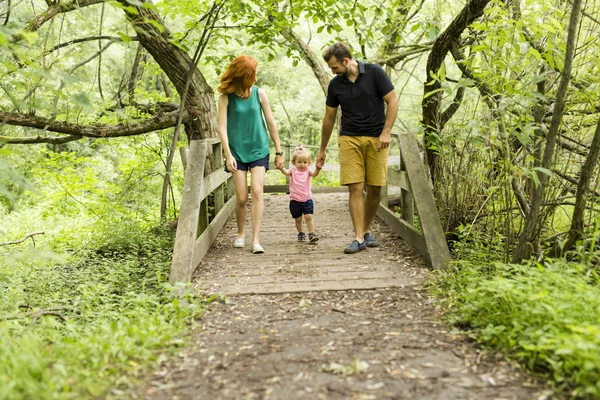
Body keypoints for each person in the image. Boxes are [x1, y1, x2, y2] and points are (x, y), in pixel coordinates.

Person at [317, 42, 398, 254]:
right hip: (349, 138)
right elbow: (329, 117)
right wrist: (322, 149)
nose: (332, 72)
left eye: (334, 67)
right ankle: (359, 236)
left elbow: (392, 101)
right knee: (355, 187)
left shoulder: (374, 73)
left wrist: (386, 132)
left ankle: (366, 230)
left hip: (376, 138)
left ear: (345, 61)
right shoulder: (335, 85)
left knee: (375, 188)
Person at [217, 55, 283, 254]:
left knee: (257, 190)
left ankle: (256, 239)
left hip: (258, 149)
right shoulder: (225, 97)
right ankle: (240, 233)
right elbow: (221, 127)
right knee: (242, 198)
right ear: (243, 75)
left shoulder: (259, 94)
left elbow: (271, 123)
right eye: (253, 73)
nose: (255, 77)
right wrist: (228, 155)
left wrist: (278, 151)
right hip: (237, 152)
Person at [276, 145, 322, 243]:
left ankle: (311, 233)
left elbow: (314, 174)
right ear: (294, 162)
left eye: (305, 162)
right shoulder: (293, 170)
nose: (302, 164)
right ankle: (301, 233)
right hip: (295, 200)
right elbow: (286, 172)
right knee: (298, 219)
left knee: (308, 216)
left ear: (309, 163)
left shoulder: (308, 170)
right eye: (299, 162)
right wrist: (281, 168)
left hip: (306, 199)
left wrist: (317, 169)